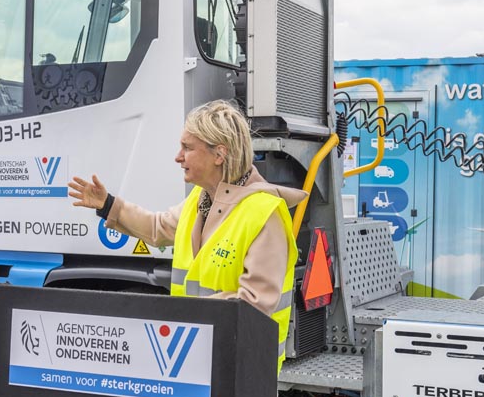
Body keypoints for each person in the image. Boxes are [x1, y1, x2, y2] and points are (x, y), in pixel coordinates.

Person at [68, 100, 307, 372]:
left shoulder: (265, 214)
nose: (178, 157)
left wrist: (181, 313)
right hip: (197, 358)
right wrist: (109, 205)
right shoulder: (201, 199)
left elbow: (254, 304)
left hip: (244, 369)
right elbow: (157, 228)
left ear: (219, 154)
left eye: (188, 148)